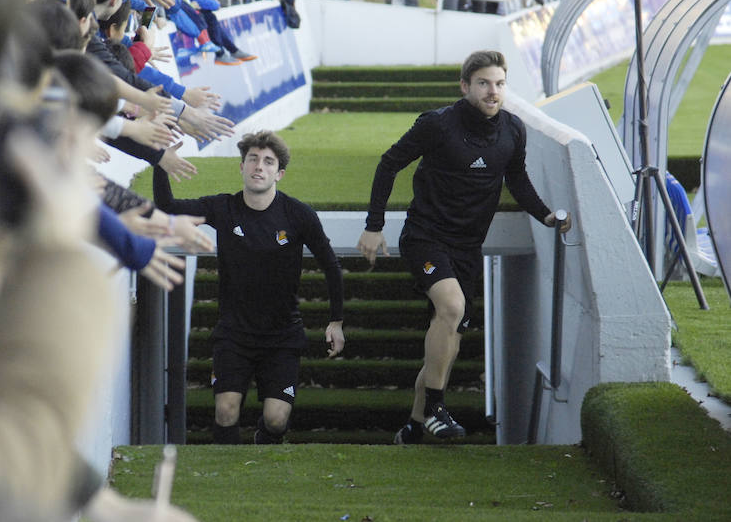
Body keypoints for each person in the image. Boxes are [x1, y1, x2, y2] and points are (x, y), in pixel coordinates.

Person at [356, 50, 571, 443]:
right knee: (451, 308)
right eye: (484, 83)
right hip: (426, 237)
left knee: (449, 341)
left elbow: (517, 178)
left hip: (468, 247)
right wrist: (374, 226)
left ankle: (415, 426)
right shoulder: (437, 124)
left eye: (500, 84)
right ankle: (438, 408)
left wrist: (545, 216)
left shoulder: (512, 130)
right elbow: (388, 164)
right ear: (465, 86)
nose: (493, 92)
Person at [153, 131, 346, 445]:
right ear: (241, 167)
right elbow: (168, 206)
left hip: (282, 335)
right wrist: (160, 163)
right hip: (234, 334)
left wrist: (336, 321)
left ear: (279, 173)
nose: (259, 166)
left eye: (268, 162)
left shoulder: (299, 215)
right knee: (226, 410)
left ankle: (263, 446)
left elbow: (331, 267)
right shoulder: (223, 208)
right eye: (253, 159)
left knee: (276, 418)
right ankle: (225, 481)